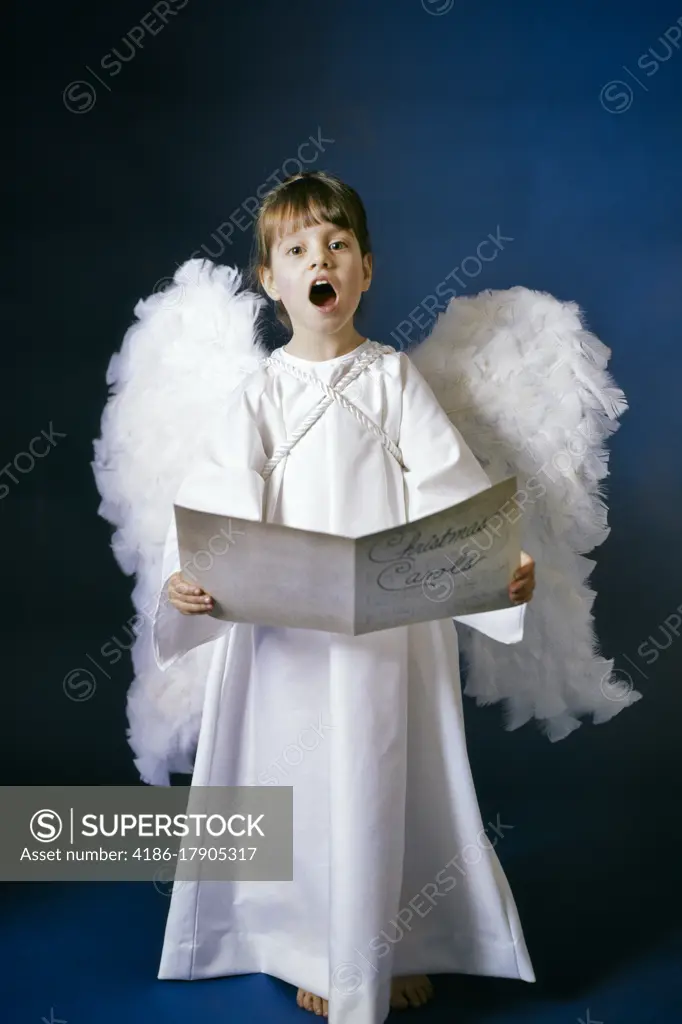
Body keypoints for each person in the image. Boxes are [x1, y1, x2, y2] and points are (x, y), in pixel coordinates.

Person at [153, 170, 536, 1023]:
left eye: (337, 244)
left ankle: (389, 945)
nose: (319, 259)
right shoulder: (259, 393)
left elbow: (448, 491)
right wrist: (195, 581)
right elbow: (213, 509)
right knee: (299, 782)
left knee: (383, 773)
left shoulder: (393, 380)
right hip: (286, 632)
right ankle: (312, 947)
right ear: (271, 281)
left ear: (366, 270)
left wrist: (494, 570)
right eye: (296, 249)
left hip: (389, 630)